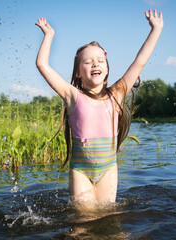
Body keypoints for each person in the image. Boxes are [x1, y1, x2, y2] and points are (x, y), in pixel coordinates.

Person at [35, 9, 163, 207]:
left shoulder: (117, 94)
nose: (95, 63)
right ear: (78, 72)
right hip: (80, 171)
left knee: (108, 218)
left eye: (100, 60)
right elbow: (42, 65)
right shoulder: (72, 95)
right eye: (88, 62)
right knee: (83, 221)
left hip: (108, 170)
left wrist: (156, 29)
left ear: (106, 68)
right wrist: (49, 36)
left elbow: (140, 61)